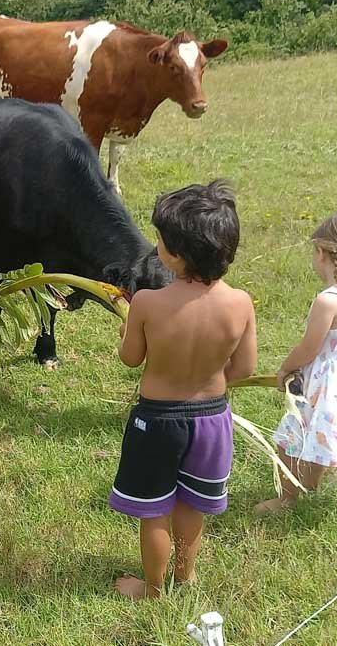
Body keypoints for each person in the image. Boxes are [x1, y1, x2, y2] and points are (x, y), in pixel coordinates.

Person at [108, 180, 257, 599]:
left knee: (154, 511)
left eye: (159, 239)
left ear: (177, 253)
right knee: (192, 504)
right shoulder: (241, 304)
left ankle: (153, 589)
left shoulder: (148, 304)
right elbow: (243, 368)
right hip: (212, 420)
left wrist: (127, 331)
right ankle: (185, 576)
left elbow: (131, 358)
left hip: (157, 422)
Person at [255, 212, 337, 514]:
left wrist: (286, 367)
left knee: (290, 439)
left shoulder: (329, 300)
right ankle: (308, 488)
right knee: (318, 438)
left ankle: (286, 499)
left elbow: (309, 347)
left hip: (325, 384)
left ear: (322, 253)